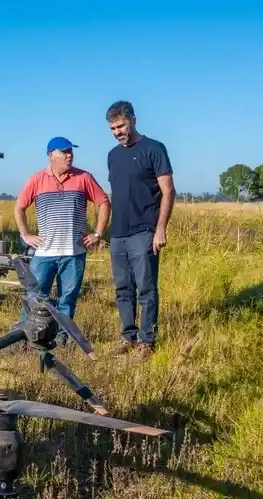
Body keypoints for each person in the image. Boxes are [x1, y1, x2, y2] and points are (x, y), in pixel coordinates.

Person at [93, 100, 175, 358]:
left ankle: (146, 342)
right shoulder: (112, 156)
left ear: (134, 120)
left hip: (144, 232)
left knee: (146, 288)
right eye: (112, 128)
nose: (117, 132)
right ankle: (128, 336)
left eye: (121, 125)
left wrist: (160, 229)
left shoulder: (154, 149)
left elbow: (168, 191)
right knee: (123, 288)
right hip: (118, 233)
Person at [14, 136, 110, 344]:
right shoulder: (36, 179)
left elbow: (103, 202)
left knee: (68, 299)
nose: (70, 156)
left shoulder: (84, 177)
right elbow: (19, 207)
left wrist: (98, 233)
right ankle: (26, 338)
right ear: (51, 155)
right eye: (64, 152)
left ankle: (61, 339)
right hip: (44, 253)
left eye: (71, 152)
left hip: (74, 254)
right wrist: (26, 235)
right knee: (35, 297)